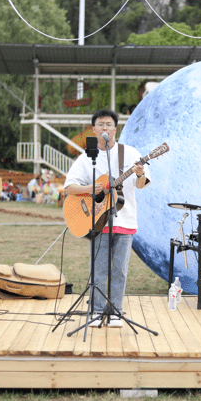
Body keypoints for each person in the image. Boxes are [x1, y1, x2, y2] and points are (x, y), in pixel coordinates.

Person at [63, 109, 151, 328]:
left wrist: (140, 174)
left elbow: (141, 185)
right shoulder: (87, 157)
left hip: (125, 220)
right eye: (101, 124)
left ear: (115, 129)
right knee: (98, 270)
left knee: (119, 270)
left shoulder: (129, 153)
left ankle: (115, 312)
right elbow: (69, 187)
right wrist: (90, 188)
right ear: (94, 129)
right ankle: (96, 310)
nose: (105, 128)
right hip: (97, 222)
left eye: (109, 124)